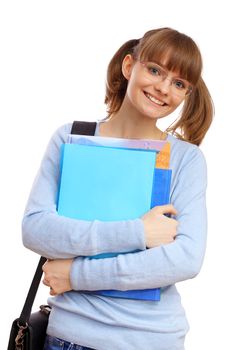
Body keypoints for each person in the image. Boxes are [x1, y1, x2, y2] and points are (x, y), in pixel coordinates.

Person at [22, 27, 213, 350]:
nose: (163, 88)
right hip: (70, 336)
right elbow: (36, 230)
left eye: (179, 84)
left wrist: (77, 275)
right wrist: (138, 232)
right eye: (155, 70)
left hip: (151, 340)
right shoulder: (71, 138)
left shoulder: (186, 159)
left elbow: (185, 258)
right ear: (129, 67)